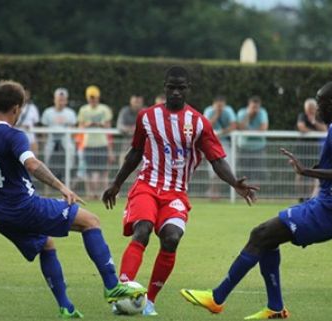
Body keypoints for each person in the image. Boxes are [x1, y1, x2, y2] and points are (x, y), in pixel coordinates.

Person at [0, 67, 145, 319]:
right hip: (24, 207)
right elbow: (32, 164)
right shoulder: (14, 135)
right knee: (91, 221)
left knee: (47, 245)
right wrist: (62, 187)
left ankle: (66, 307)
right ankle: (112, 286)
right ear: (16, 108)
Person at [180, 81, 332, 320]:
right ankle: (275, 308)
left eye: (320, 103)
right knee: (267, 238)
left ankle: (216, 299)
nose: (317, 110)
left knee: (260, 234)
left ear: (331, 104)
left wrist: (307, 171)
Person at [101, 66, 258, 316]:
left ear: (188, 89)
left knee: (172, 238)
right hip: (147, 186)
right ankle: (122, 292)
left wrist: (234, 183)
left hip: (176, 193)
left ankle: (149, 301)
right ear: (165, 88)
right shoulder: (147, 117)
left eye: (180, 88)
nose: (175, 92)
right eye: (171, 87)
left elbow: (216, 159)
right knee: (143, 229)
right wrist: (117, 183)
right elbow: (135, 153)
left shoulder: (198, 122)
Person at [77, 86, 114, 199]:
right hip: (88, 144)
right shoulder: (83, 110)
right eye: (91, 98)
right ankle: (90, 194)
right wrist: (88, 125)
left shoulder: (104, 109)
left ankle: (104, 193)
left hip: (102, 143)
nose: (93, 100)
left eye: (94, 97)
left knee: (103, 171)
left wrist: (99, 124)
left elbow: (108, 125)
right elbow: (80, 126)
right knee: (88, 171)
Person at [203, 96, 237, 199]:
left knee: (226, 168)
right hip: (211, 143)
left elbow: (233, 125)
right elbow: (206, 125)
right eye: (218, 106)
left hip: (225, 143)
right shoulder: (208, 111)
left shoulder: (229, 110)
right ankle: (213, 191)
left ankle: (220, 192)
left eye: (222, 106)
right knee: (213, 170)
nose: (220, 108)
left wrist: (221, 133)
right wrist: (217, 114)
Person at [41, 88, 76, 181]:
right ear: (54, 99)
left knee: (70, 149)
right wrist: (44, 142)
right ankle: (46, 173)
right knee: (47, 152)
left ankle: (68, 172)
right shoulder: (48, 112)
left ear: (66, 101)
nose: (61, 102)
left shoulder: (70, 113)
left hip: (65, 137)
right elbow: (44, 129)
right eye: (59, 99)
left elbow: (72, 129)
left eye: (63, 100)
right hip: (51, 137)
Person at [295, 98, 327, 201]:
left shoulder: (318, 117)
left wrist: (314, 122)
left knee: (313, 172)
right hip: (302, 148)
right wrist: (313, 131)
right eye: (308, 109)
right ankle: (301, 196)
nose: (310, 111)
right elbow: (301, 127)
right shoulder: (302, 116)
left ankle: (311, 196)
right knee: (300, 172)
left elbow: (324, 129)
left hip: (313, 148)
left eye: (312, 109)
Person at [237, 96, 269, 183]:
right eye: (253, 107)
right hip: (243, 148)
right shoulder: (242, 113)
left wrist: (249, 131)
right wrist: (248, 115)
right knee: (244, 172)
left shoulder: (262, 112)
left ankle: (255, 193)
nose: (255, 109)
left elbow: (263, 128)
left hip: (258, 148)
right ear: (248, 106)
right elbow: (241, 128)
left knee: (258, 172)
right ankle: (245, 192)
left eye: (257, 107)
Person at [117, 94, 145, 164]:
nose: (136, 104)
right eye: (135, 101)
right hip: (126, 147)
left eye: (138, 102)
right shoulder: (124, 111)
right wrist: (132, 129)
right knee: (123, 170)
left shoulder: (146, 111)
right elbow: (120, 126)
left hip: (143, 149)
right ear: (131, 101)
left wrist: (136, 129)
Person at [16, 89, 40, 154]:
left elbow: (36, 123)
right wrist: (21, 126)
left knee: (33, 157)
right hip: (16, 137)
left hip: (30, 138)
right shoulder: (13, 107)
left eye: (26, 95)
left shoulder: (33, 108)